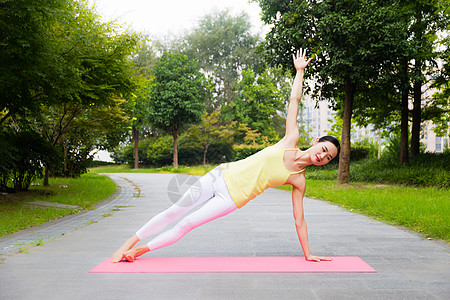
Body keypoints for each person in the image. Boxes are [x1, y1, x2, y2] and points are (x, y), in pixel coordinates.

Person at [112, 49, 340, 263]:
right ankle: (130, 241)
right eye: (324, 149)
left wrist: (308, 254)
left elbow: (299, 219)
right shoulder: (291, 140)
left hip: (231, 199)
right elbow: (294, 102)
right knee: (175, 211)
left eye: (328, 158)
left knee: (188, 223)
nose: (323, 156)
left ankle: (138, 251)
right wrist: (299, 72)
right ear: (316, 142)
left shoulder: (299, 180)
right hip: (220, 176)